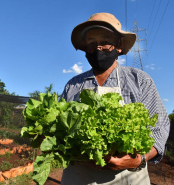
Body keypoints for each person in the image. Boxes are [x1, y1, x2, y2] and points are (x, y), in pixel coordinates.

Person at [60, 12, 170, 185]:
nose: (98, 48)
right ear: (85, 49)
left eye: (105, 42)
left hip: (129, 178)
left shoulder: (140, 80)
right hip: (79, 178)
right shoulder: (73, 85)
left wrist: (139, 159)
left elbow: (160, 128)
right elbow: (59, 131)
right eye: (91, 43)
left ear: (119, 46)